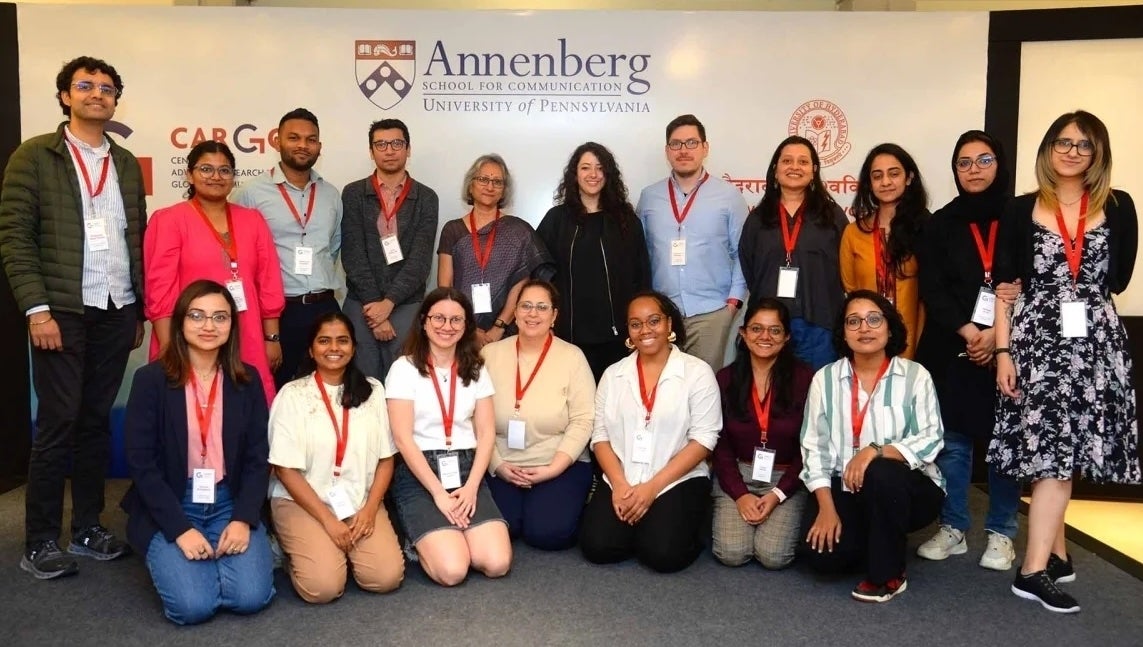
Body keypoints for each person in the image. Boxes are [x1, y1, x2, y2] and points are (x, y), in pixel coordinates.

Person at [0, 56, 145, 579]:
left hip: (115, 306)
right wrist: (36, 310)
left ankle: (86, 527)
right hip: (61, 307)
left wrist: (140, 308)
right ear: (65, 95)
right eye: (85, 86)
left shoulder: (124, 162)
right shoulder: (34, 156)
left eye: (107, 88)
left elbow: (135, 237)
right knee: (58, 423)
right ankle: (39, 538)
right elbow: (15, 238)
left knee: (94, 421)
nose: (96, 94)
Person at [992, 111, 1139, 614]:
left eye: (1084, 144)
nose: (1072, 151)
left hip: (1095, 343)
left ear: (1098, 153)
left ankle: (1052, 555)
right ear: (1048, 148)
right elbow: (1004, 288)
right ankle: (1031, 573)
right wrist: (1004, 351)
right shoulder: (1019, 209)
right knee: (1050, 448)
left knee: (1066, 448)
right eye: (1063, 142)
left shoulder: (1120, 208)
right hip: (1037, 341)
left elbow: (1116, 279)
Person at [120, 280, 275, 625]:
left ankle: (220, 561)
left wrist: (242, 519)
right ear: (180, 322)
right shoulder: (151, 380)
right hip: (174, 501)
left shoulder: (246, 380)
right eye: (198, 316)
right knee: (193, 608)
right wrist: (179, 529)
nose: (209, 326)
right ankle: (191, 560)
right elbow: (141, 463)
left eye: (220, 317)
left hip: (227, 500)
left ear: (232, 326)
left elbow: (257, 458)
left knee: (251, 598)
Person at [914, 130, 1020, 571]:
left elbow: (1028, 283)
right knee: (953, 443)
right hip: (952, 345)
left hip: (1010, 347)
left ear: (1000, 164)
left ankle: (1001, 533)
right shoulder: (940, 222)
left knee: (1004, 444)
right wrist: (970, 332)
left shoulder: (1023, 216)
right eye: (964, 163)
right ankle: (954, 526)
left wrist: (996, 339)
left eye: (984, 160)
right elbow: (932, 288)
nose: (973, 170)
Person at [799, 290, 944, 603]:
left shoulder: (915, 376)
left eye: (874, 319)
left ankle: (888, 574)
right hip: (846, 488)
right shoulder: (824, 379)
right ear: (843, 333)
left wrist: (874, 451)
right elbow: (813, 448)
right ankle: (878, 537)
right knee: (823, 560)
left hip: (907, 489)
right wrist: (826, 508)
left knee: (881, 472)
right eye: (854, 321)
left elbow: (932, 437)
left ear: (889, 328)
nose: (864, 328)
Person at [268, 312, 404, 603]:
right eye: (324, 341)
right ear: (311, 349)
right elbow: (284, 469)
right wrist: (328, 521)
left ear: (354, 348)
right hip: (303, 502)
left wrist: (370, 510)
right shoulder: (292, 395)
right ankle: (294, 548)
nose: (334, 348)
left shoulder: (374, 391)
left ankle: (334, 549)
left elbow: (386, 458)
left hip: (358, 499)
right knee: (323, 588)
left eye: (342, 341)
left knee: (385, 578)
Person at [580, 291, 720, 572]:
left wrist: (652, 489)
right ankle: (644, 524)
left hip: (675, 478)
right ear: (628, 332)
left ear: (669, 324)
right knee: (597, 547)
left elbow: (704, 440)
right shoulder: (613, 374)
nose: (645, 330)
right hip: (623, 478)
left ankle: (671, 526)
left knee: (662, 555)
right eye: (636, 324)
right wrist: (619, 484)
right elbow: (600, 436)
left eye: (654, 321)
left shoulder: (698, 372)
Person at [385, 288, 512, 586]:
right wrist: (439, 494)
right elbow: (402, 439)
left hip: (468, 468)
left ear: (466, 325)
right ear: (424, 322)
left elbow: (485, 432)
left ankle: (452, 533)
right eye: (439, 318)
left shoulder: (476, 368)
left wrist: (471, 488)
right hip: (420, 472)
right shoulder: (403, 369)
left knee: (497, 562)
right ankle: (418, 537)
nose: (447, 326)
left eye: (456, 320)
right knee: (453, 570)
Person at [144, 141, 285, 404]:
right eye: (206, 169)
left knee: (246, 410)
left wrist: (272, 337)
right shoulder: (169, 220)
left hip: (247, 333)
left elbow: (268, 281)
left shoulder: (252, 220)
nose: (216, 177)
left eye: (224, 171)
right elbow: (159, 288)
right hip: (189, 336)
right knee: (192, 411)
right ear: (189, 174)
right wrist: (168, 347)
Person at [232, 108, 344, 389]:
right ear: (277, 141)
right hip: (277, 313)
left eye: (310, 139)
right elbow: (237, 252)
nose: (302, 145)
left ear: (319, 146)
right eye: (293, 137)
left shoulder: (331, 194)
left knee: (327, 388)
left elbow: (332, 248)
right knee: (273, 388)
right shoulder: (251, 193)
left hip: (324, 306)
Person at [481, 280, 595, 549]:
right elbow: (475, 417)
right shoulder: (489, 354)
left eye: (542, 307)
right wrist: (496, 465)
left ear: (554, 315)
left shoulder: (572, 357)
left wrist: (554, 468)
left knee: (546, 534)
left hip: (558, 462)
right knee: (505, 527)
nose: (533, 314)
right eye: (526, 306)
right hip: (502, 462)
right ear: (515, 313)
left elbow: (584, 419)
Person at [636, 114, 748, 372]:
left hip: (712, 312)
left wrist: (733, 303)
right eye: (676, 144)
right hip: (661, 315)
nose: (683, 151)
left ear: (705, 148)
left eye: (691, 143)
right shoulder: (649, 197)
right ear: (667, 151)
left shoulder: (728, 196)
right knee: (664, 388)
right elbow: (639, 254)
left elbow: (743, 253)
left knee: (706, 388)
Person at [711, 298, 813, 569]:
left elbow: (811, 445)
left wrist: (779, 493)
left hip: (787, 478)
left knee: (773, 557)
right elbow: (719, 444)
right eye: (756, 329)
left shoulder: (806, 379)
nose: (765, 337)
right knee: (732, 554)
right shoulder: (725, 379)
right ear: (743, 334)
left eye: (775, 330)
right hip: (738, 473)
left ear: (787, 336)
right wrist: (740, 494)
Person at [536, 142, 651, 380]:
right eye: (585, 168)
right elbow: (539, 275)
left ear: (608, 174)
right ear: (575, 175)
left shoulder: (625, 220)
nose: (593, 175)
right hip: (568, 336)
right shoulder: (556, 220)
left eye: (600, 168)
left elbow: (641, 274)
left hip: (618, 336)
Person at [739, 136, 850, 370]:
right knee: (775, 398)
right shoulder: (758, 218)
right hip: (768, 329)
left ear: (814, 170)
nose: (795, 167)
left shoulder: (832, 216)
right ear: (775, 169)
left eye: (803, 162)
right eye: (787, 161)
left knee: (818, 396)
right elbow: (748, 265)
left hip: (821, 324)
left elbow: (846, 266)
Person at [341, 118, 440, 380]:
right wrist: (375, 304)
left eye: (397, 143)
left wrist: (389, 303)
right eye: (381, 144)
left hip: (406, 304)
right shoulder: (353, 194)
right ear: (371, 151)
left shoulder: (426, 197)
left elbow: (421, 260)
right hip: (362, 302)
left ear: (408, 149)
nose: (389, 150)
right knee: (362, 383)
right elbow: (353, 253)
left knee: (404, 382)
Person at [437, 154, 551, 348]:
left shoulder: (519, 231)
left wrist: (499, 326)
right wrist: (467, 327)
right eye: (483, 179)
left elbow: (521, 283)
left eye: (497, 182)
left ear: (503, 190)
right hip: (458, 329)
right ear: (471, 185)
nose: (489, 187)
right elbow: (445, 286)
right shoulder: (452, 230)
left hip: (507, 331)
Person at [840, 144, 929, 359]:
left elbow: (931, 293)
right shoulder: (853, 232)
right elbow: (851, 290)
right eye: (877, 176)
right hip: (866, 340)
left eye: (894, 174)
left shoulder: (927, 228)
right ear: (869, 184)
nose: (886, 182)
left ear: (909, 178)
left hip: (917, 339)